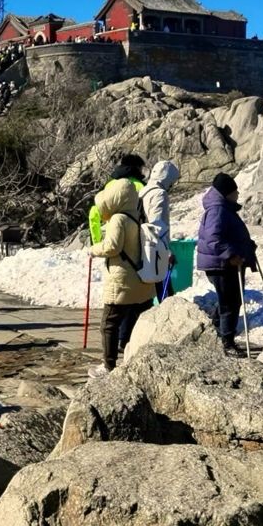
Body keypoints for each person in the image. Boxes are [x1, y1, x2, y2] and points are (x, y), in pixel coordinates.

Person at [90, 179, 156, 373]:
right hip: (138, 281)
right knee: (135, 323)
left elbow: (112, 246)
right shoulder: (137, 217)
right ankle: (133, 361)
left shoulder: (118, 219)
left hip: (121, 280)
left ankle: (108, 365)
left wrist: (94, 249)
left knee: (109, 323)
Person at [196, 173, 257, 357]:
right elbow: (214, 238)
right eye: (235, 191)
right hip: (222, 265)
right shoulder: (218, 210)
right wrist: (231, 255)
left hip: (223, 263)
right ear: (226, 193)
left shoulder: (222, 208)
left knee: (229, 301)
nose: (238, 194)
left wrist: (245, 246)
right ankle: (226, 342)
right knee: (229, 303)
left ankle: (217, 334)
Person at [139, 160, 180, 298]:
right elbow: (157, 224)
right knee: (165, 294)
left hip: (143, 247)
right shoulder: (159, 194)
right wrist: (167, 252)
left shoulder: (143, 190)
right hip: (156, 251)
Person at [88, 154, 147, 245]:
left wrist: (97, 243)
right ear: (137, 168)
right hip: (137, 240)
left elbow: (93, 214)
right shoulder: (139, 185)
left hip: (113, 240)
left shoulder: (109, 185)